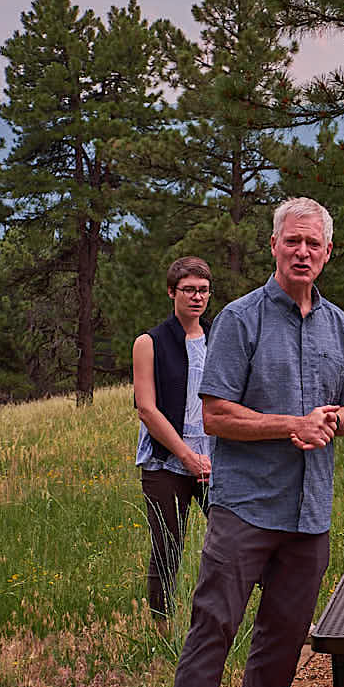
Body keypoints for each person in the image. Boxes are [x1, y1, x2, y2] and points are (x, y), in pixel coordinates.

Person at [155, 198, 344, 687]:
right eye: (292, 241)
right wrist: (290, 424)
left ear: (328, 252)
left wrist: (333, 420)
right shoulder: (240, 319)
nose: (303, 252)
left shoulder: (338, 323)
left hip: (309, 510)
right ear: (274, 247)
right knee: (214, 625)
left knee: (285, 629)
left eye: (314, 244)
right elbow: (217, 416)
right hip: (245, 507)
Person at [132, 256, 213, 626]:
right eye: (188, 290)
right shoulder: (149, 342)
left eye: (203, 290)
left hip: (215, 459)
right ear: (172, 292)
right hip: (166, 459)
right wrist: (185, 455)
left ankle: (271, 617)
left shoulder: (220, 338)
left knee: (242, 538)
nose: (197, 297)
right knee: (167, 547)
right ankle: (161, 627)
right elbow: (146, 409)